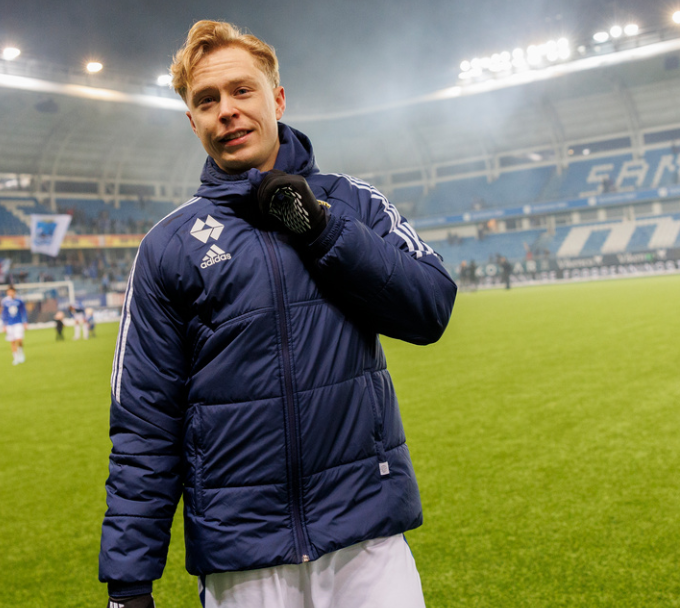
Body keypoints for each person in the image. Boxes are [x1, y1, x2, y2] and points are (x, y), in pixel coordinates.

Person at [99, 21, 457, 608]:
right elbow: (144, 426)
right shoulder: (169, 246)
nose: (227, 112)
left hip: (365, 536)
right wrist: (129, 582)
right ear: (192, 121)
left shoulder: (352, 203)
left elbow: (430, 308)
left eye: (243, 91)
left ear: (278, 98)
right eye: (206, 101)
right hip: (242, 557)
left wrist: (321, 228)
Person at [1, 286, 28, 365]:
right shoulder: (5, 301)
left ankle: (21, 353)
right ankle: (15, 358)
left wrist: (25, 321)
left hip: (18, 323)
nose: (10, 293)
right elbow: (4, 313)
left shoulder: (19, 300)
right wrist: (4, 325)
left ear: (14, 292)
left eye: (12, 291)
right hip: (9, 324)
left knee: (19, 340)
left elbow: (23, 311)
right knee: (12, 341)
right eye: (9, 292)